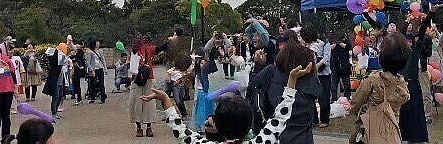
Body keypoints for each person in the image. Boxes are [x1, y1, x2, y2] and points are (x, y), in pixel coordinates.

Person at [142, 61, 312, 144]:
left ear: (216, 125)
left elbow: (180, 130)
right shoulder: (263, 141)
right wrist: (291, 81)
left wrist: (166, 99)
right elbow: (279, 118)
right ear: (250, 124)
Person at [249, 39, 321, 144]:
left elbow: (252, 87)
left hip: (274, 136)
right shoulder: (310, 79)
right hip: (303, 138)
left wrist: (258, 66)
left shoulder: (271, 73)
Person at [349, 32, 411, 144]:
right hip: (391, 133)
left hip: (370, 132)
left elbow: (354, 105)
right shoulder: (402, 84)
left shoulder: (372, 81)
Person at [398, 6, 437, 143]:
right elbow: (401, 33)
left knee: (415, 111)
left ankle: (416, 137)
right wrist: (407, 20)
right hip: (401, 83)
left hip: (413, 83)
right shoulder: (400, 50)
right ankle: (403, 136)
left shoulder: (417, 48)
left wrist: (430, 14)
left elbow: (421, 30)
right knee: (402, 111)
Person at [301, 24, 332, 128]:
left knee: (324, 98)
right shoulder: (306, 44)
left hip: (324, 74)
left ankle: (324, 120)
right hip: (311, 75)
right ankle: (313, 120)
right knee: (310, 97)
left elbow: (326, 58)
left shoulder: (325, 43)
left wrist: (317, 65)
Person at [129, 39, 158, 138]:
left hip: (148, 78)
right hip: (136, 79)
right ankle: (139, 127)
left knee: (149, 104)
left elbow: (158, 49)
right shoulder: (133, 51)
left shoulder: (149, 49)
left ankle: (149, 127)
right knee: (135, 104)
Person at [42, 47, 64, 122]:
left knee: (60, 97)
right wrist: (56, 52)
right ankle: (54, 113)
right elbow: (51, 58)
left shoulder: (59, 65)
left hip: (60, 81)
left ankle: (55, 111)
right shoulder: (55, 65)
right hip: (56, 81)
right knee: (56, 97)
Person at [330, 33, 352, 102]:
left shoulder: (345, 38)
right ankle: (333, 98)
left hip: (344, 64)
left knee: (346, 83)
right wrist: (335, 42)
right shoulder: (331, 38)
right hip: (335, 64)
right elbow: (330, 48)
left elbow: (348, 47)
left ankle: (347, 98)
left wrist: (339, 42)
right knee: (334, 84)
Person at [85, 39, 106, 104]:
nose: (98, 44)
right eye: (96, 43)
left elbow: (103, 60)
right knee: (92, 84)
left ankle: (102, 98)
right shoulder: (89, 52)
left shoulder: (100, 51)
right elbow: (87, 62)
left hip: (100, 68)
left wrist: (105, 68)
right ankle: (92, 98)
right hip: (93, 69)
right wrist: (92, 70)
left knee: (101, 83)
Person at [9, 47, 24, 114]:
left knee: (15, 93)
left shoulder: (17, 58)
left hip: (16, 78)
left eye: (12, 50)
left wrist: (22, 78)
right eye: (10, 50)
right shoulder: (3, 58)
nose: (11, 51)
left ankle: (13, 108)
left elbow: (21, 69)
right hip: (7, 79)